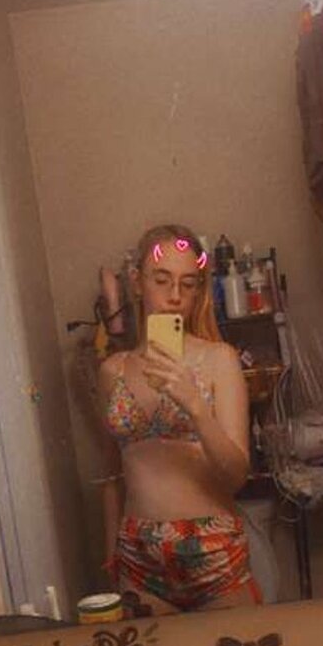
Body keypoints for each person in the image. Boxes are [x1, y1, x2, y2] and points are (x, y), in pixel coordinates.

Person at [97, 223, 260, 615]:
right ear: (137, 281)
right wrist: (110, 555)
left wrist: (196, 406)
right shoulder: (112, 371)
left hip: (214, 554)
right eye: (161, 280)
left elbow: (236, 476)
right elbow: (111, 474)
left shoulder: (219, 359)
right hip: (138, 558)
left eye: (188, 284)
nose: (174, 296)